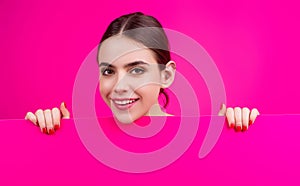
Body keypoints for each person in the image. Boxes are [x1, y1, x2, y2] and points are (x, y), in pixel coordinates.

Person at [25, 12, 259, 134]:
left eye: (136, 69)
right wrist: (50, 140)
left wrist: (235, 137)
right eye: (108, 71)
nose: (119, 86)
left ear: (166, 76)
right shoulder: (78, 138)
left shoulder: (200, 139)